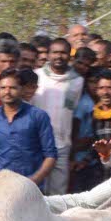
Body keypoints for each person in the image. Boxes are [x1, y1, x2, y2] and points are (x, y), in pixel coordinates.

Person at [0, 69, 56, 188]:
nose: (7, 92)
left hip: (31, 187)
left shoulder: (38, 116)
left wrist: (34, 180)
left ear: (21, 89)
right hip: (0, 185)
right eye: (3, 88)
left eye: (12, 88)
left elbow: (51, 155)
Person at [33, 37, 86, 195]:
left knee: (58, 193)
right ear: (48, 54)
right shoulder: (36, 76)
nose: (59, 56)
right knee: (34, 190)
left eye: (63, 53)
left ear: (70, 55)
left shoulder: (77, 81)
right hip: (36, 141)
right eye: (55, 52)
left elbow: (74, 113)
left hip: (62, 144)